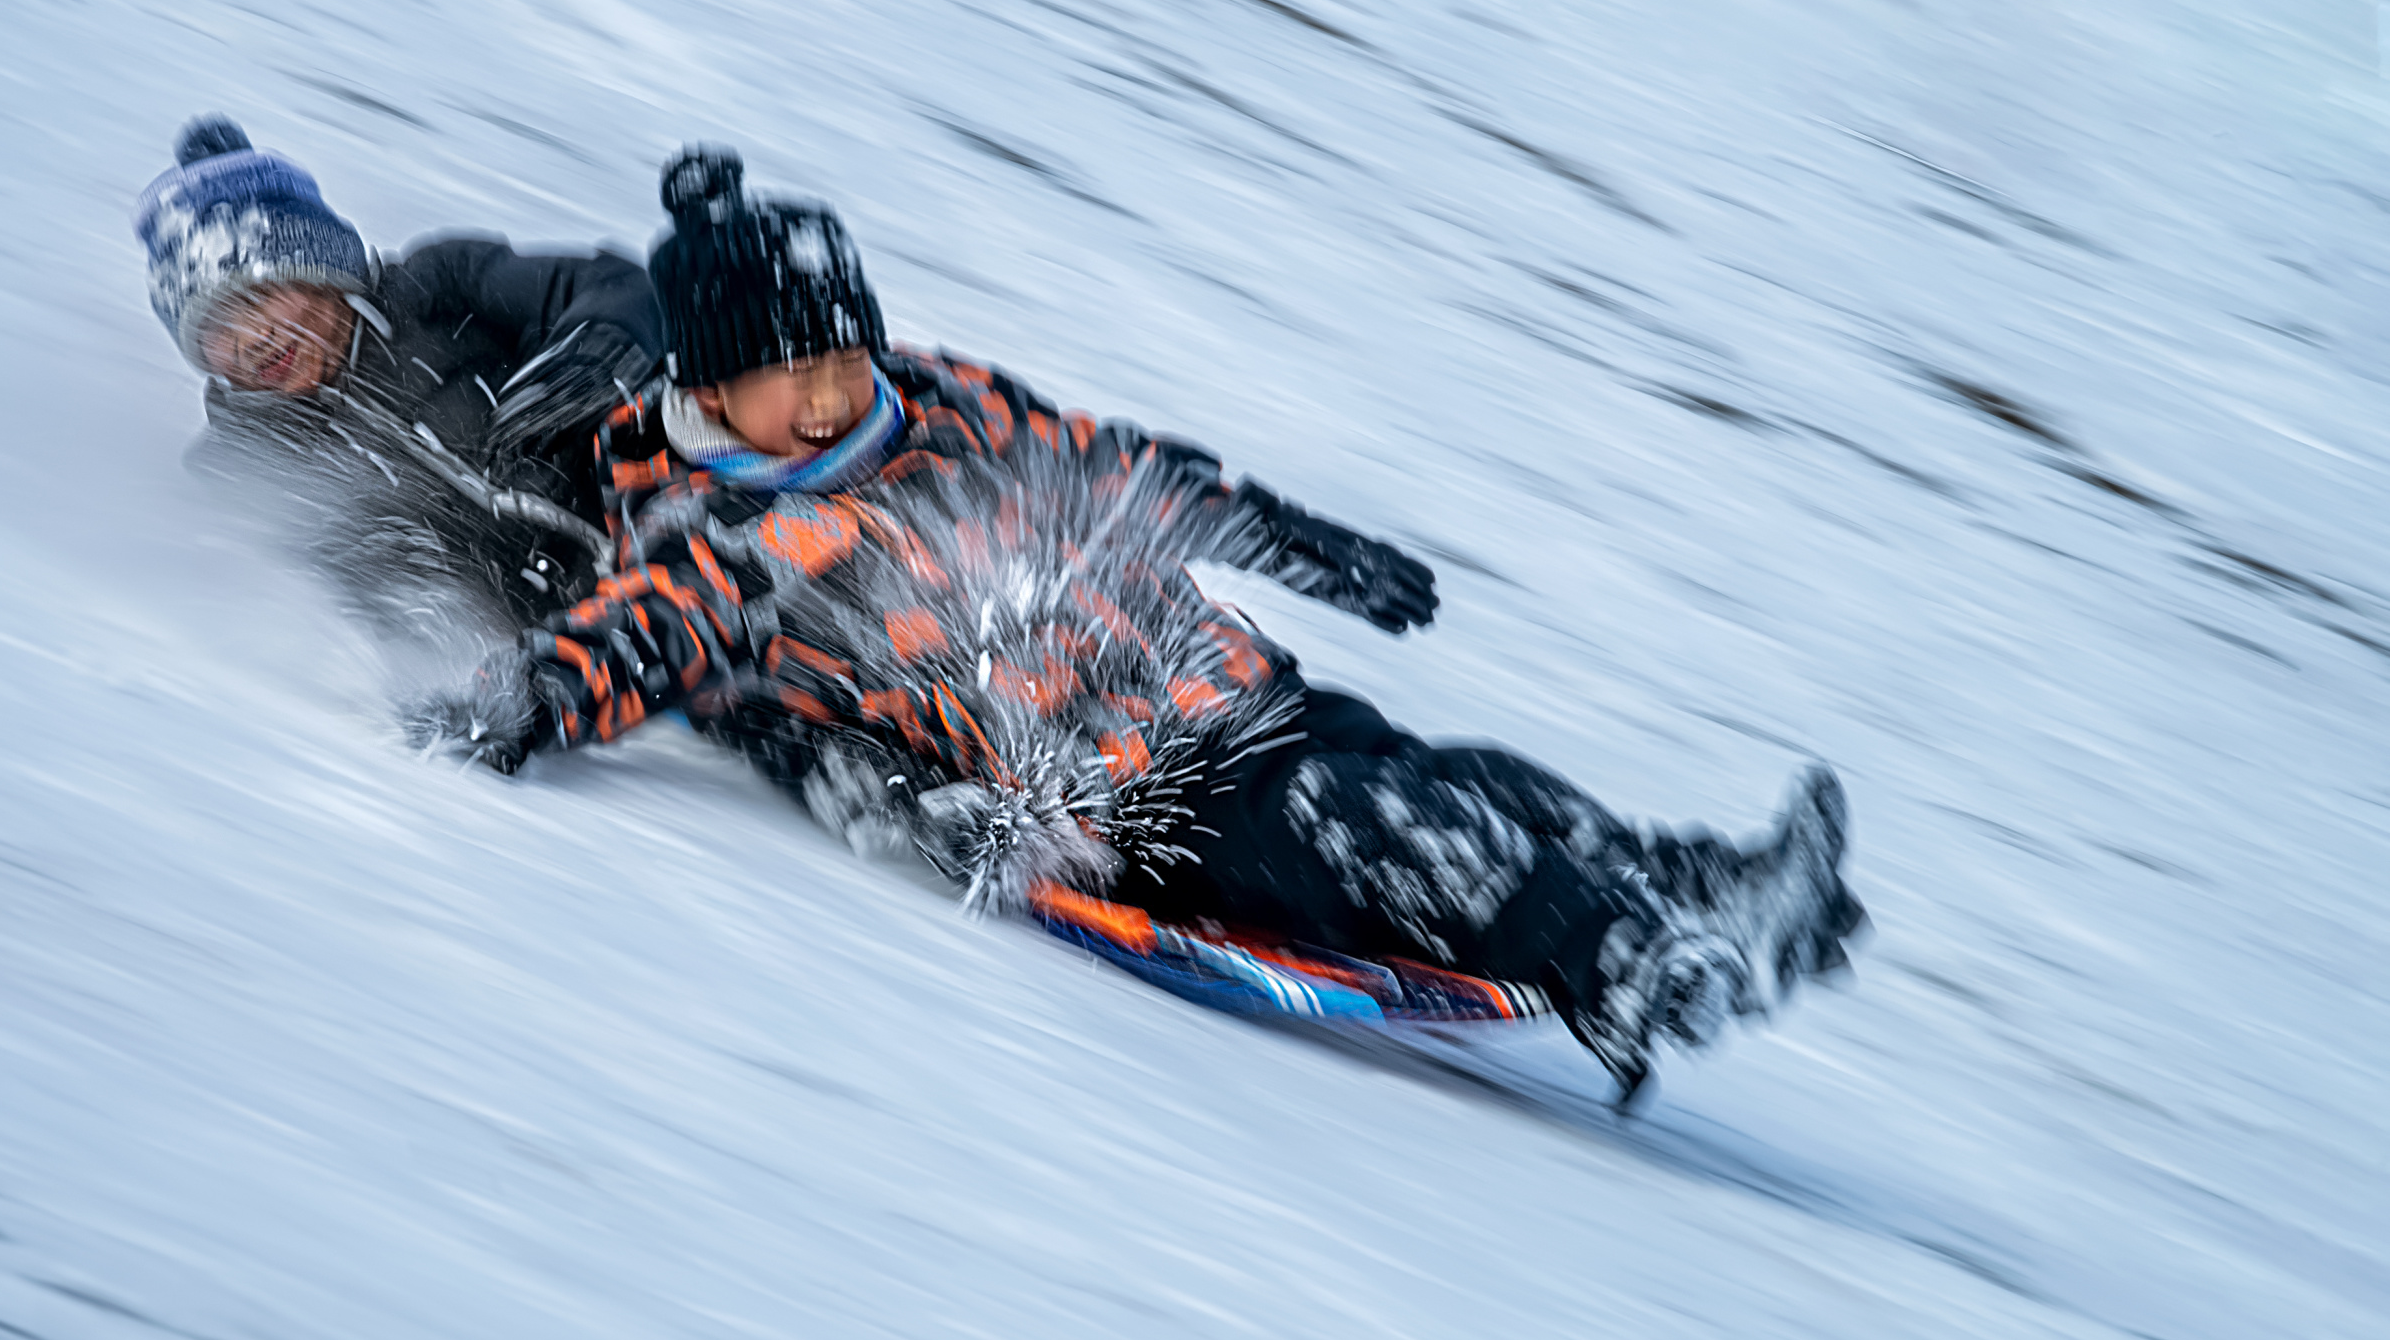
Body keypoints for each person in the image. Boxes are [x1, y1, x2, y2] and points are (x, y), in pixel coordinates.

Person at [419, 148, 1860, 1099]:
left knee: (1465, 782)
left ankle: (1704, 884)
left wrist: (1294, 538)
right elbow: (641, 638)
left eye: (844, 358)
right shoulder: (724, 536)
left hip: (1227, 688)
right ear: (709, 388)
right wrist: (529, 698)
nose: (831, 395)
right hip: (1128, 797)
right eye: (790, 377)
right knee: (1385, 829)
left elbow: (1122, 469)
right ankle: (1624, 968)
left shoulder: (951, 402)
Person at [134, 115, 664, 629]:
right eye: (216, 329)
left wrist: (587, 364)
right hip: (563, 642)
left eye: (260, 298)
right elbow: (294, 610)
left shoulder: (437, 288)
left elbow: (618, 288)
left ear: (317, 270)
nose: (251, 340)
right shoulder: (248, 465)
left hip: (659, 514)